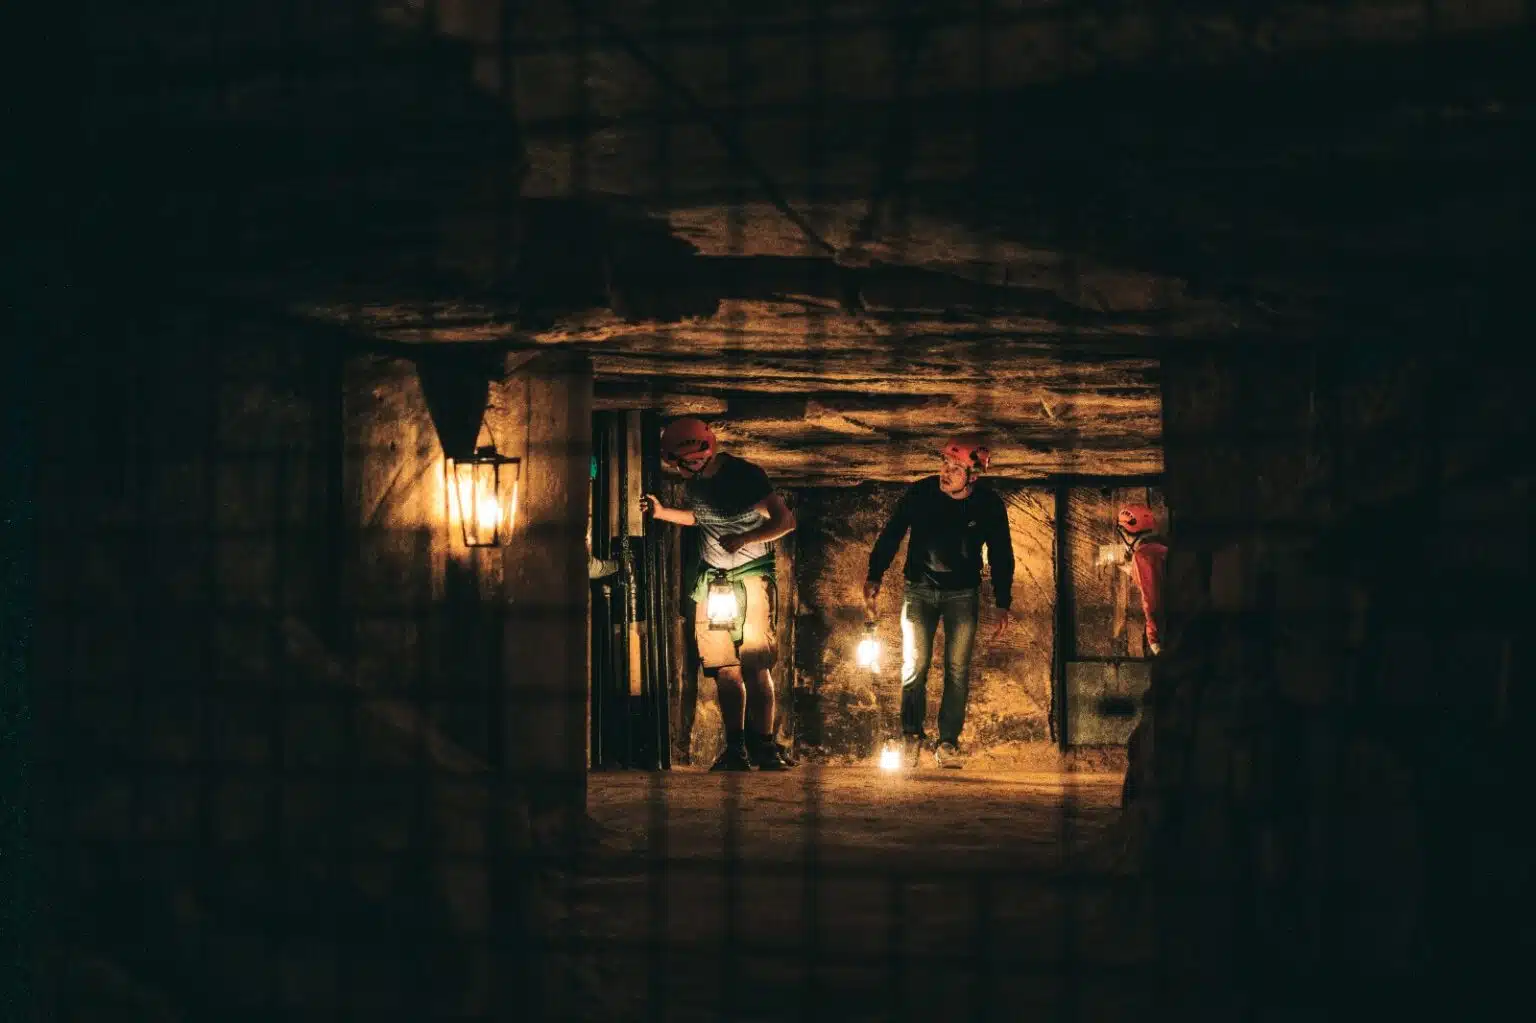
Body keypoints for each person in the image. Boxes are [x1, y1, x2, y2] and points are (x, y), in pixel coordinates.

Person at [641, 418, 797, 771]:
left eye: (694, 460)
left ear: (706, 450)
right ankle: (735, 748)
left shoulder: (745, 475)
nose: (689, 467)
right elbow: (701, 518)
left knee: (755, 664)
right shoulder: (695, 482)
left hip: (751, 577)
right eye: (683, 463)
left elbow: (785, 521)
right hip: (714, 582)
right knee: (725, 668)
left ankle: (764, 746)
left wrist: (745, 539)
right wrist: (662, 513)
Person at [864, 433, 1015, 769]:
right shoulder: (921, 493)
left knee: (957, 670)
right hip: (918, 590)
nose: (945, 472)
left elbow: (1001, 553)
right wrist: (875, 574)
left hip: (963, 594)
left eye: (955, 468)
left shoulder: (988, 505)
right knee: (914, 665)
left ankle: (947, 743)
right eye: (944, 463)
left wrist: (1002, 601)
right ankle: (911, 736)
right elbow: (893, 532)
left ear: (972, 477)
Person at [1115, 503, 1167, 655]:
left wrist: (1153, 638)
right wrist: (1131, 570)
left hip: (1166, 632)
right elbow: (1157, 577)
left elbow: (1151, 599)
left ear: (1126, 534)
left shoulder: (1142, 555)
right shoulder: (1160, 548)